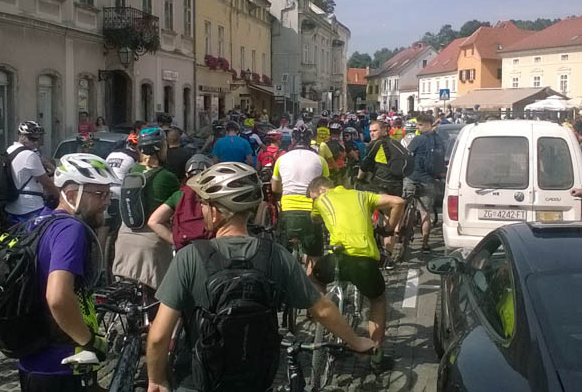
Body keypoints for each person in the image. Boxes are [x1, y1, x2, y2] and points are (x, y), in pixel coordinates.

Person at [145, 163, 375, 392]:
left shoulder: (189, 257)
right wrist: (356, 341)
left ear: (215, 213)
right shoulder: (276, 255)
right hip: (256, 376)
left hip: (200, 378)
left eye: (204, 204)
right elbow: (322, 309)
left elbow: (158, 336)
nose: (202, 209)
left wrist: (156, 380)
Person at [18, 154, 118, 392]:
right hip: (62, 364)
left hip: (33, 360)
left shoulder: (40, 220)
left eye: (108, 194)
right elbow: (58, 297)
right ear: (71, 196)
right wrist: (89, 341)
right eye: (99, 194)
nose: (106, 202)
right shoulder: (71, 229)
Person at [307, 176, 403, 371]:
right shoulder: (362, 195)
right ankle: (375, 356)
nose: (313, 200)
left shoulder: (320, 201)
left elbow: (315, 219)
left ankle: (325, 313)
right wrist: (388, 229)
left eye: (313, 196)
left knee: (314, 279)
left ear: (322, 190)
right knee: (377, 299)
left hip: (337, 257)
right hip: (364, 261)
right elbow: (398, 202)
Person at [112, 127, 180, 291]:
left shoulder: (131, 172)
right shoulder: (168, 177)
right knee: (166, 295)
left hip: (124, 237)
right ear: (161, 149)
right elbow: (180, 206)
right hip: (153, 242)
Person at [272, 125, 330, 275]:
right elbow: (326, 189)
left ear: (292, 140)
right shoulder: (320, 160)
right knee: (315, 256)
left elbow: (275, 188)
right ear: (310, 141)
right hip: (311, 212)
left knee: (282, 254)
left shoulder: (282, 159)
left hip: (288, 211)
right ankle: (311, 283)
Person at [148, 154, 214, 249]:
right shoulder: (214, 194)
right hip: (211, 247)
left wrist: (176, 241)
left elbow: (153, 221)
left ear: (187, 174)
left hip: (185, 247)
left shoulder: (179, 194)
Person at [4, 122, 59, 226]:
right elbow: (47, 183)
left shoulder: (10, 150)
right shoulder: (29, 155)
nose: (36, 142)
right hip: (31, 207)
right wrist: (60, 197)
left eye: (39, 139)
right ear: (21, 136)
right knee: (44, 232)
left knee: (14, 235)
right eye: (32, 139)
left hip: (11, 207)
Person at [403, 115, 441, 253]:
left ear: (428, 125)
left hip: (412, 177)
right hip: (428, 180)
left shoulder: (418, 139)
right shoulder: (438, 140)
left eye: (419, 125)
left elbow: (407, 154)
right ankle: (425, 244)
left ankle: (403, 233)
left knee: (404, 206)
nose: (417, 128)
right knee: (425, 213)